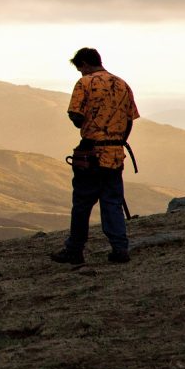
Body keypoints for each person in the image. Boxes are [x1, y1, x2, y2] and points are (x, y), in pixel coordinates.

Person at [51, 47, 139, 265]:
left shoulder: (85, 83)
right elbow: (129, 120)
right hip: (115, 154)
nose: (80, 73)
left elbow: (76, 116)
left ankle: (75, 250)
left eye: (80, 68)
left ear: (84, 64)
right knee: (112, 202)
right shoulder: (123, 85)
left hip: (90, 153)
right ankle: (120, 249)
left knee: (82, 203)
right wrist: (116, 139)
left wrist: (90, 124)